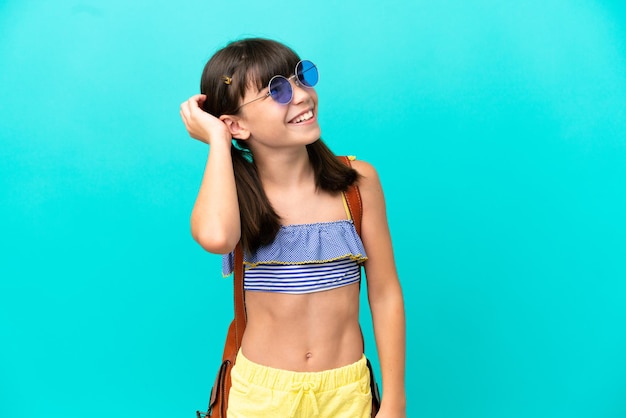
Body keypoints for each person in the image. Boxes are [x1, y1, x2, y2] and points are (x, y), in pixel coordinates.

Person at [180, 38, 406, 418]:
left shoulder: (358, 183)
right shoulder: (231, 196)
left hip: (346, 393)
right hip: (261, 397)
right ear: (235, 124)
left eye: (301, 78)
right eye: (277, 91)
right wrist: (218, 141)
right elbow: (217, 237)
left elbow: (384, 294)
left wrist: (395, 402)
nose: (301, 96)